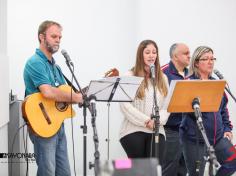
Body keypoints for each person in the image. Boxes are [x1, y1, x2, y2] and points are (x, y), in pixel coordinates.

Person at [23, 20, 83, 176]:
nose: (58, 40)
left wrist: (78, 97)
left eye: (60, 37)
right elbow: (48, 92)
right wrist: (75, 97)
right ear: (42, 37)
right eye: (54, 36)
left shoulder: (56, 67)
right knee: (47, 172)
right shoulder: (35, 62)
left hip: (57, 125)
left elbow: (64, 95)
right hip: (42, 125)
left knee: (64, 172)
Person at [180, 46, 236, 176]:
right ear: (196, 63)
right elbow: (179, 109)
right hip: (195, 140)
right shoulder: (188, 83)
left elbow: (223, 109)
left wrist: (227, 129)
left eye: (212, 58)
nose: (210, 62)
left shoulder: (217, 83)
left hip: (218, 138)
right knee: (196, 174)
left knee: (233, 161)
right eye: (206, 59)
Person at [119, 39, 170, 165]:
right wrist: (146, 121)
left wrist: (158, 122)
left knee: (155, 169)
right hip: (133, 130)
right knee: (139, 169)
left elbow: (167, 106)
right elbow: (125, 106)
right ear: (140, 55)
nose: (151, 55)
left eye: (154, 52)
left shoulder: (162, 78)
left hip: (157, 130)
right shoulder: (130, 75)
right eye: (147, 52)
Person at [161, 43, 190, 176]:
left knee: (184, 169)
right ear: (175, 56)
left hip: (188, 130)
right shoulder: (162, 73)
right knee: (169, 168)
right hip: (170, 130)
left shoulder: (190, 74)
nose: (189, 56)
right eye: (186, 53)